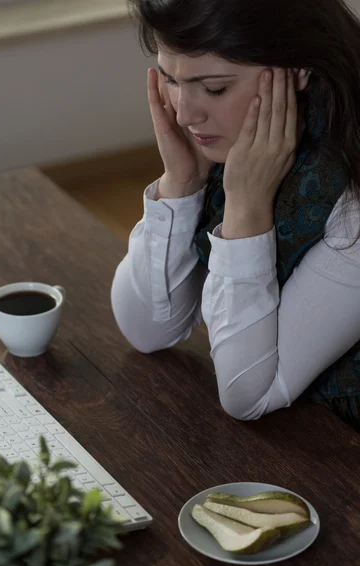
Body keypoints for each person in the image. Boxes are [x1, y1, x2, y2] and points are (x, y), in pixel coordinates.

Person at [111, 0, 360, 431]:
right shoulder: (239, 145)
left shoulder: (351, 201)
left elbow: (248, 395)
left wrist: (246, 208)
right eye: (171, 79)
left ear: (297, 68)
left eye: (215, 88)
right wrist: (181, 182)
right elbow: (147, 330)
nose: (186, 114)